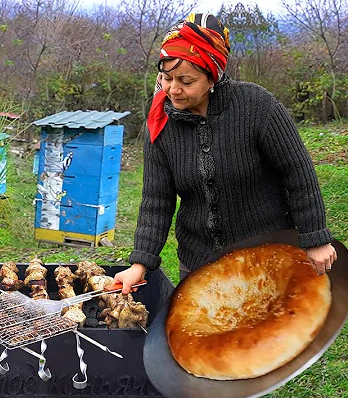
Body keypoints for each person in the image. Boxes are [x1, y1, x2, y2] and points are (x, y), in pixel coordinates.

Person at [112, 13, 337, 293]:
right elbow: (156, 200)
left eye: (186, 80)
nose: (173, 89)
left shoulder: (257, 106)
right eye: (167, 78)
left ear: (212, 77)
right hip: (200, 264)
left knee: (268, 333)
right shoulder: (161, 126)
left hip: (266, 258)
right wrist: (140, 264)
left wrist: (315, 238)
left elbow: (298, 173)